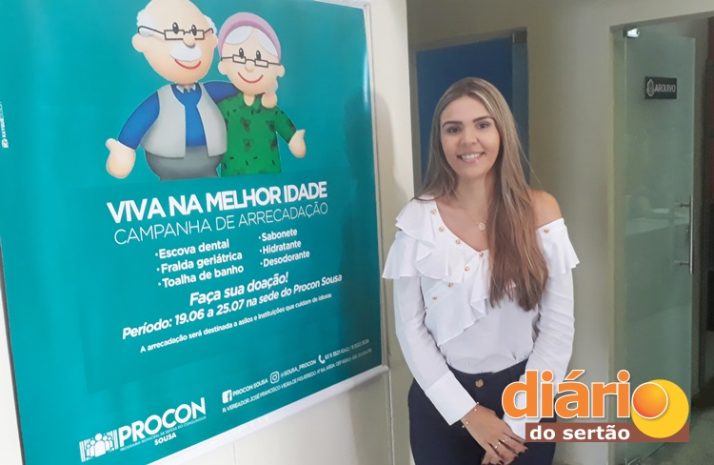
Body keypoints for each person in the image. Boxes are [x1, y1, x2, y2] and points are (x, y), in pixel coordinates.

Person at [383, 78, 578, 465]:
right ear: (440, 140)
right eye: (453, 129)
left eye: (482, 125)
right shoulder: (417, 219)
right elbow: (410, 330)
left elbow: (558, 329)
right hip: (441, 404)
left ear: (502, 132)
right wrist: (469, 415)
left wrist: (516, 423)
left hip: (526, 399)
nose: (468, 140)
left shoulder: (540, 211)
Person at [105, 0, 277, 180]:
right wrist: (124, 148)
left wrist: (261, 86)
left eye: (195, 32)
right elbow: (140, 119)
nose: (189, 41)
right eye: (175, 32)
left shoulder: (209, 91)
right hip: (168, 163)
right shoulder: (161, 100)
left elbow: (239, 89)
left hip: (209, 163)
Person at [216, 12, 306, 176]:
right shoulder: (224, 106)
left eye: (259, 58)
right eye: (240, 56)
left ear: (277, 69)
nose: (250, 66)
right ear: (223, 65)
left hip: (269, 179)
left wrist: (294, 138)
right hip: (233, 178)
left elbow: (288, 131)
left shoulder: (270, 108)